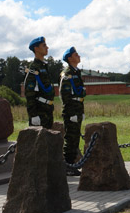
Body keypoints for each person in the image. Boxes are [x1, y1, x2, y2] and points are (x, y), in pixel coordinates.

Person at [60, 46, 86, 176]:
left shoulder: (76, 72)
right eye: (76, 54)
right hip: (71, 111)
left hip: (77, 108)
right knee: (70, 139)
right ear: (70, 58)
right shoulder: (67, 73)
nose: (79, 56)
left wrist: (81, 111)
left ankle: (71, 165)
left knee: (75, 138)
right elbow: (65, 95)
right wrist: (71, 113)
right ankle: (67, 166)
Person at [25, 36, 55, 129]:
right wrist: (33, 115)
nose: (47, 47)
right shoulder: (34, 68)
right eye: (44, 45)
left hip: (48, 110)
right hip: (39, 111)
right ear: (36, 49)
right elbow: (29, 93)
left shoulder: (44, 66)